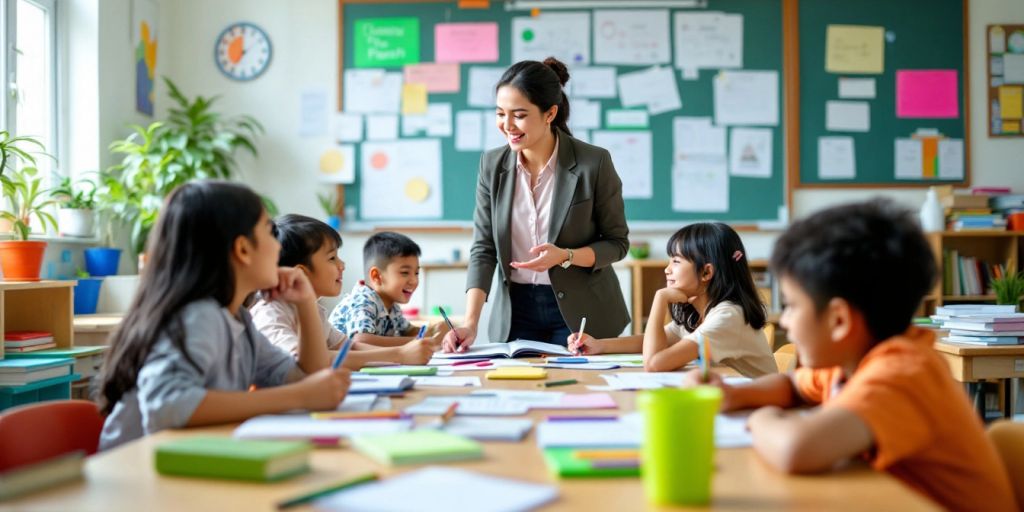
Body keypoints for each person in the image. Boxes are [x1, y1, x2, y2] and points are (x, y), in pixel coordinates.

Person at [686, 200, 1016, 511]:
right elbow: (794, 387)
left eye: (791, 306)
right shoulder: (850, 359)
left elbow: (797, 450)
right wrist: (729, 394)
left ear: (839, 321)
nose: (783, 320)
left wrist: (760, 419)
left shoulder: (903, 373)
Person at [98, 182, 350, 451]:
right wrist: (299, 396)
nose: (278, 248)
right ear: (242, 250)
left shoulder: (238, 319)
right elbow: (167, 407)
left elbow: (308, 377)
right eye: (269, 232)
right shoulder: (198, 316)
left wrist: (306, 302)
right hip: (136, 470)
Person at [444, 57, 630, 352]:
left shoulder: (593, 163)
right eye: (500, 114)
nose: (507, 126)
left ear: (549, 113)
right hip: (516, 312)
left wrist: (565, 255)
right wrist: (470, 322)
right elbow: (484, 248)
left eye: (519, 115)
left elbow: (617, 244)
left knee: (580, 394)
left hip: (582, 316)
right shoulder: (491, 165)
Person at [570, 223, 777, 378]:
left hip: (758, 410)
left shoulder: (728, 316)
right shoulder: (698, 312)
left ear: (706, 272)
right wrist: (599, 345)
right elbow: (653, 340)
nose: (667, 269)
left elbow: (654, 363)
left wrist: (660, 299)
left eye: (676, 262)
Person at [251, 215, 437, 369]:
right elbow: (306, 362)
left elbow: (350, 347)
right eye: (332, 258)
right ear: (301, 273)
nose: (342, 265)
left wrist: (404, 353)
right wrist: (400, 355)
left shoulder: (315, 310)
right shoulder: (271, 313)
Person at [329, 232, 444, 347]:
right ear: (376, 276)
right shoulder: (362, 302)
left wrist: (434, 330)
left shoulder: (391, 305)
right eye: (405, 273)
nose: (414, 281)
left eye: (416, 273)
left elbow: (408, 331)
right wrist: (421, 341)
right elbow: (361, 341)